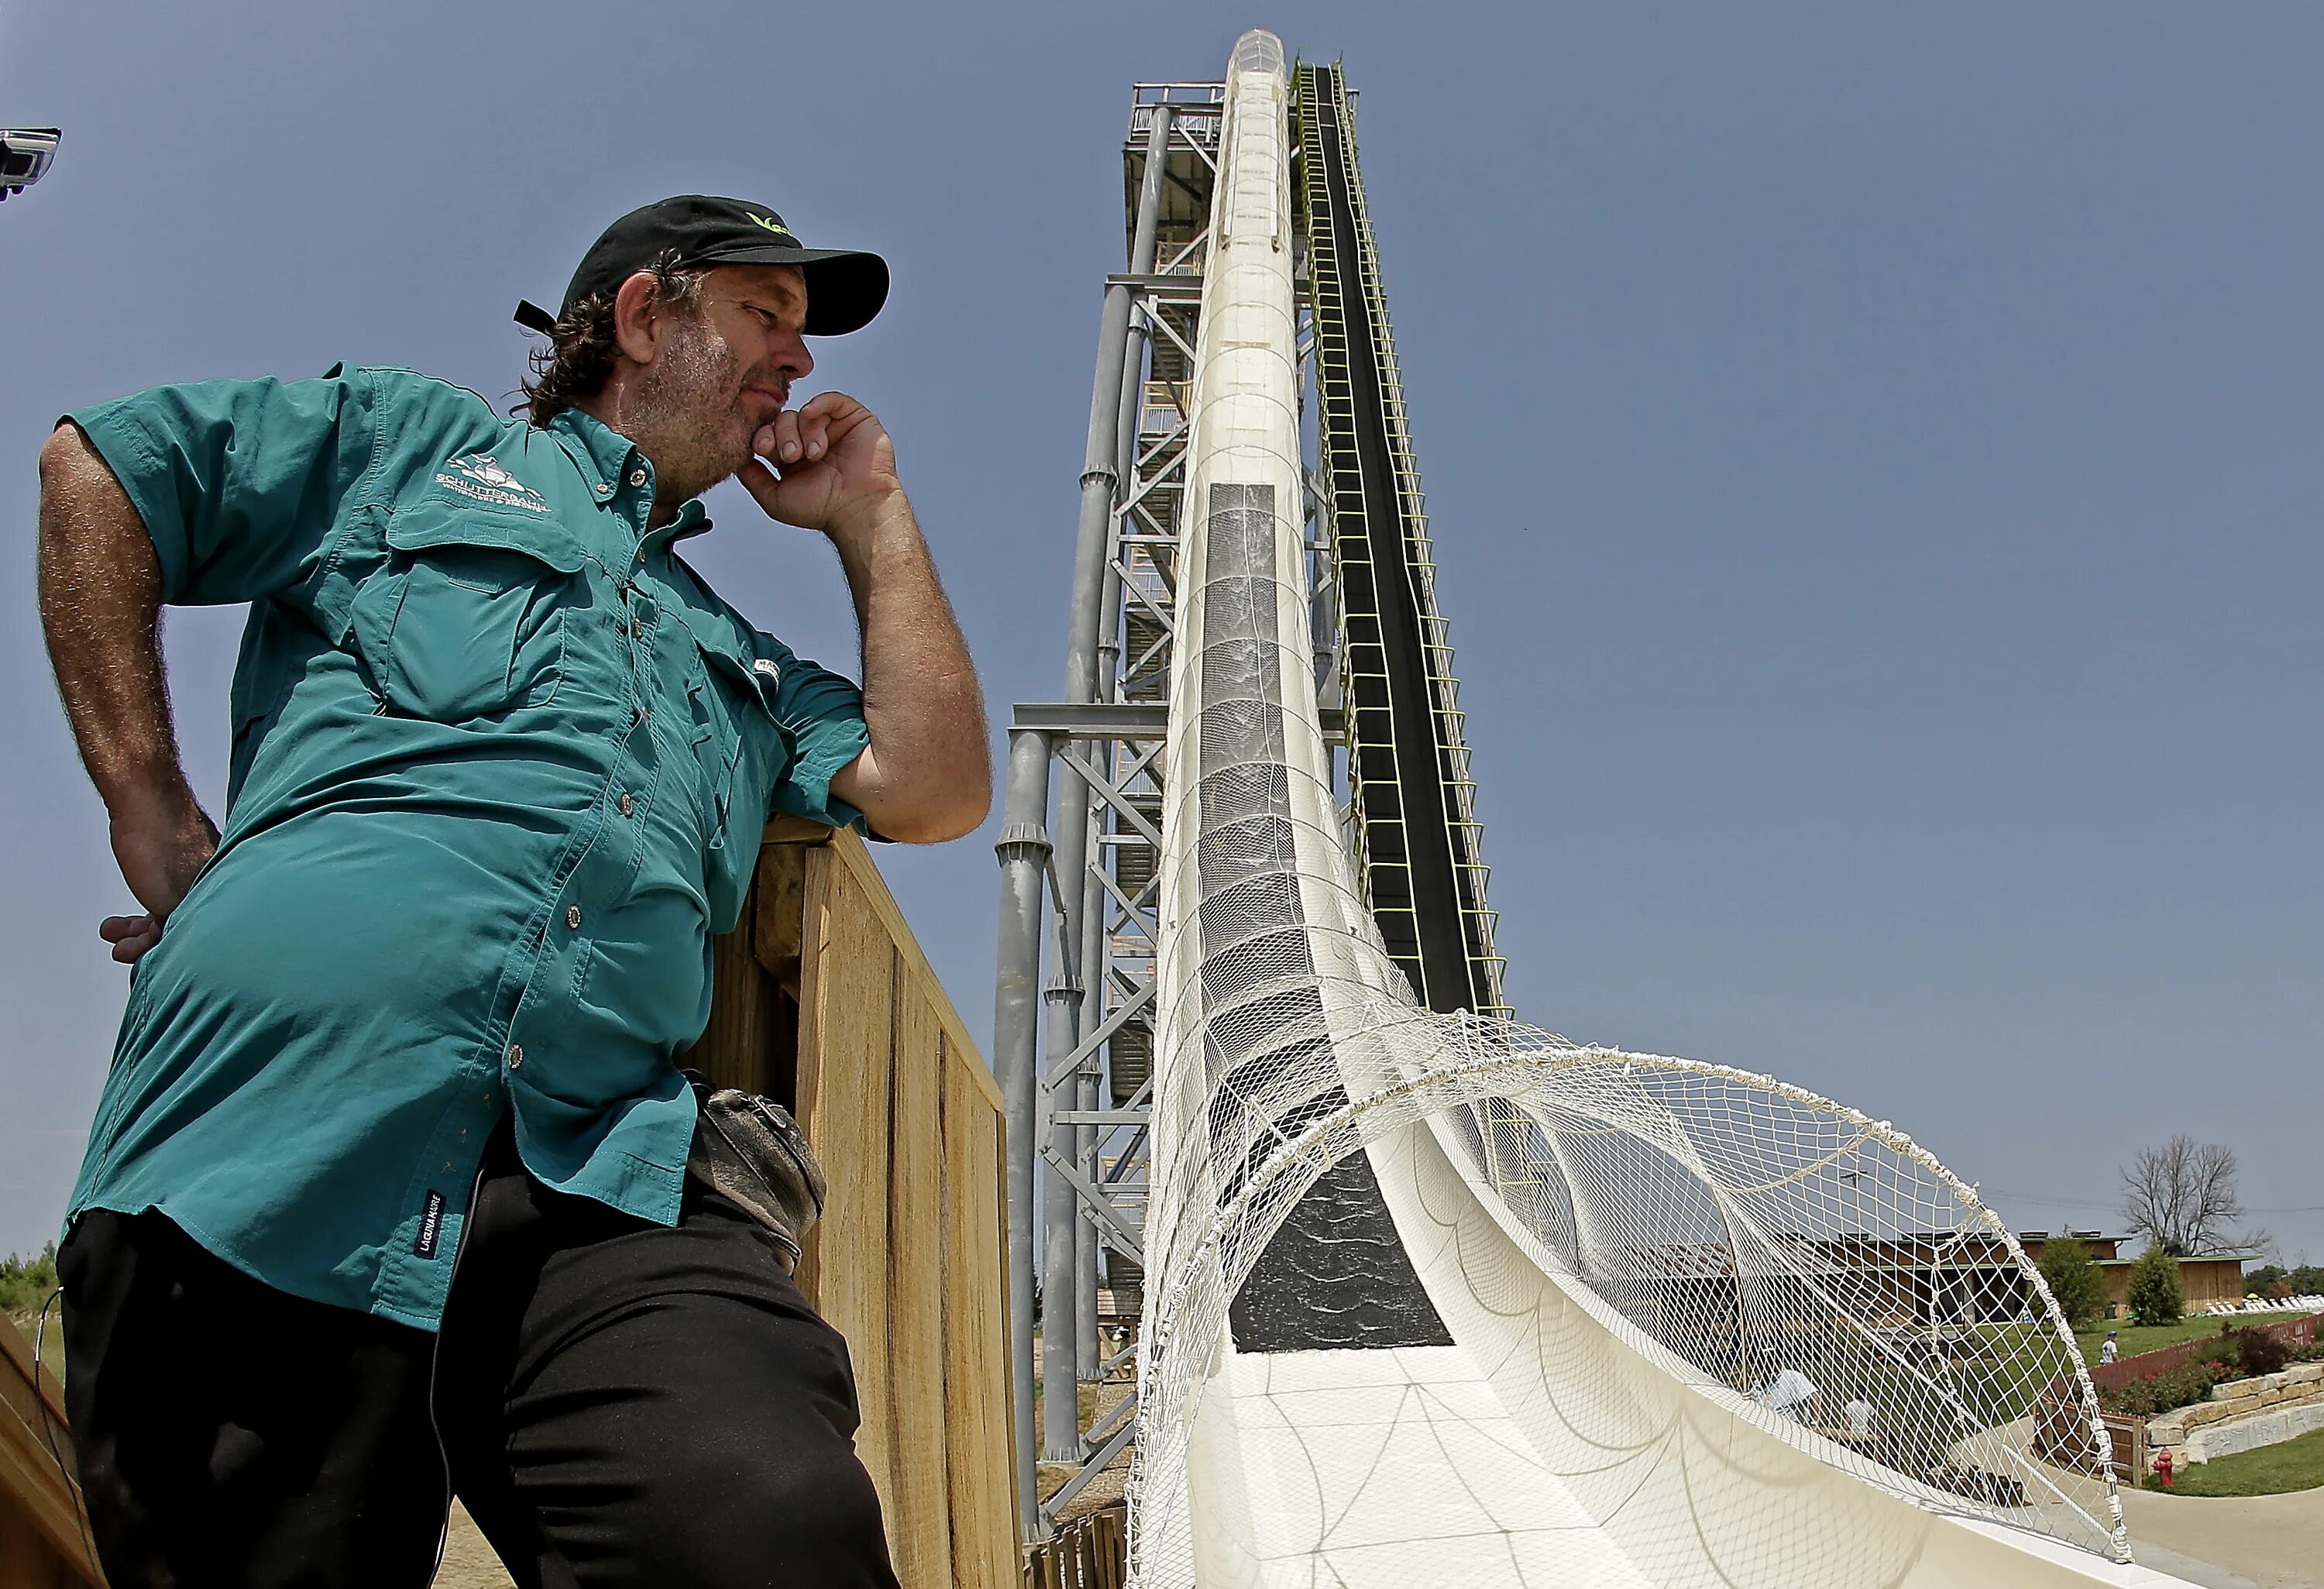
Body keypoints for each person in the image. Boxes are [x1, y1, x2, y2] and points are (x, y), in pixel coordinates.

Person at [36, 194, 989, 1589]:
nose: (795, 361)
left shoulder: (747, 664)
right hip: (263, 1152)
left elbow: (936, 786)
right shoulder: (415, 450)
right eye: (762, 315)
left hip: (591, 1180)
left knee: (770, 1525)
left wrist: (874, 519)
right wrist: (149, 804)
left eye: (800, 333)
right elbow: (104, 470)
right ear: (643, 315)